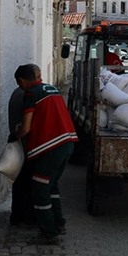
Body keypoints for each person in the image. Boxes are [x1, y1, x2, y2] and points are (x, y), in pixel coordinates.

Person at [16, 64, 78, 245]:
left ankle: (48, 233)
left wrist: (16, 134)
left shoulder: (31, 94)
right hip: (67, 144)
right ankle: (59, 223)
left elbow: (26, 128)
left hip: (51, 148)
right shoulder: (53, 89)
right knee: (52, 186)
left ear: (21, 81)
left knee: (40, 190)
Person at [7, 66, 40, 227]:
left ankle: (17, 216)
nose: (40, 81)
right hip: (28, 146)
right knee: (27, 183)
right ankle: (27, 217)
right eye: (38, 77)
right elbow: (26, 127)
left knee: (20, 183)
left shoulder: (16, 93)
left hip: (21, 146)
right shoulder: (26, 96)